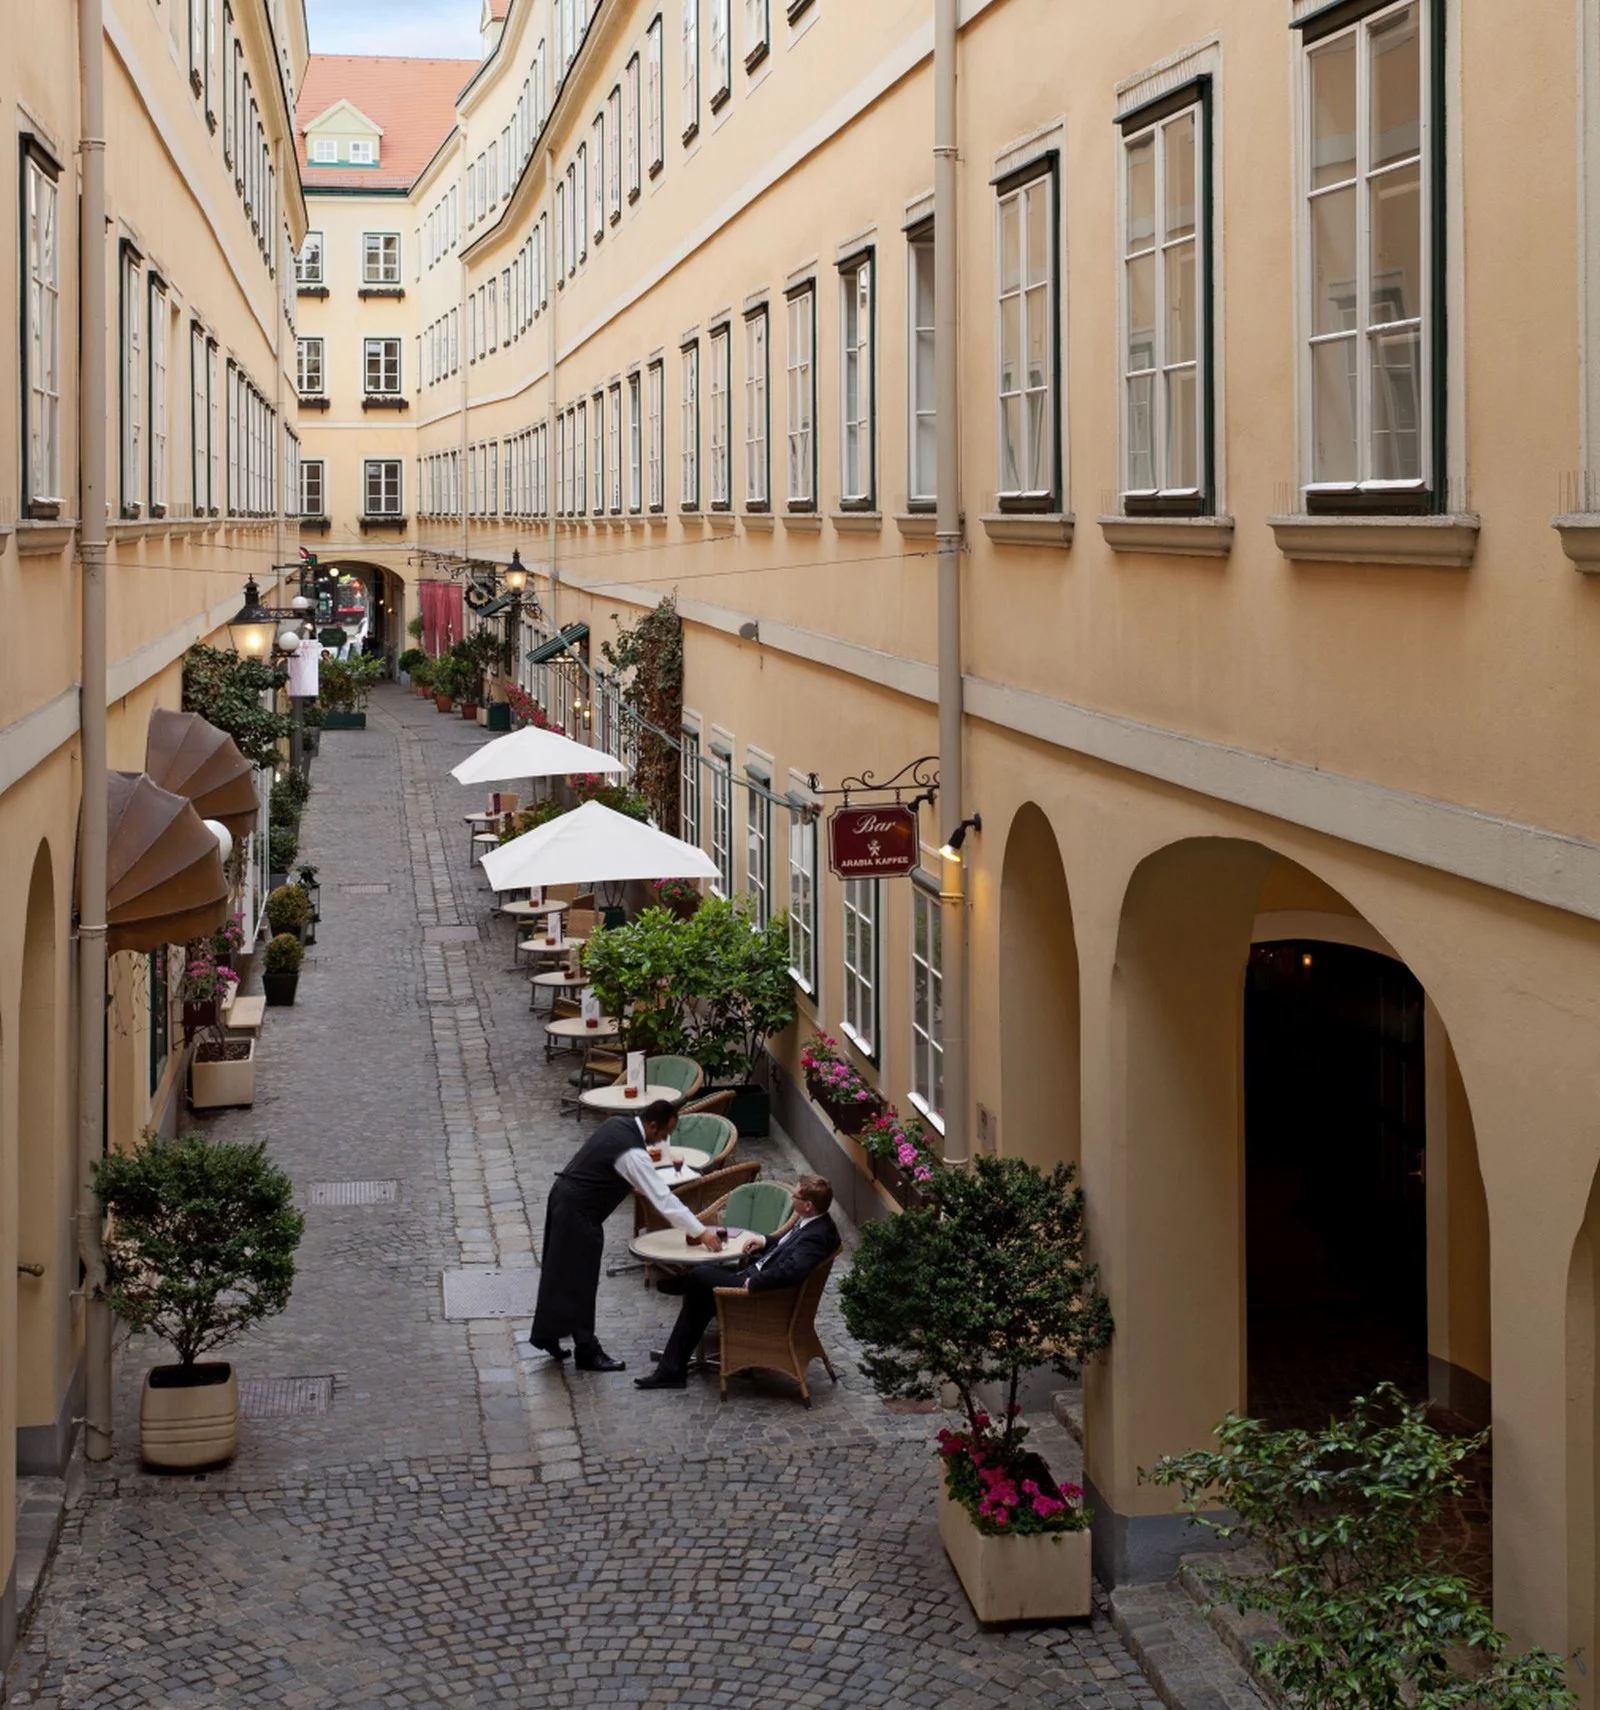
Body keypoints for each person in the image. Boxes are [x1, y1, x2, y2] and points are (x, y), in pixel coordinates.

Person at [528, 1100, 722, 1372]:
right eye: (664, 1134)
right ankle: (586, 1351)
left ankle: (547, 1335)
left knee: (558, 1273)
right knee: (582, 1279)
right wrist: (700, 1233)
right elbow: (663, 1199)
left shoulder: (617, 1123)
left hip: (563, 1196)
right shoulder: (633, 1153)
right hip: (580, 1211)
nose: (663, 1141)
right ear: (652, 1125)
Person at [633, 1174, 840, 1391]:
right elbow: (784, 1246)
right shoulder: (812, 1223)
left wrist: (756, 1281)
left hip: (759, 1293)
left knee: (700, 1275)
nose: (791, 1199)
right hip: (755, 1275)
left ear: (808, 1205)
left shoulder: (816, 1236)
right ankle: (671, 1370)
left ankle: (680, 1292)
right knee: (700, 1296)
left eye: (795, 1196)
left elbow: (793, 1271)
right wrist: (763, 1241)